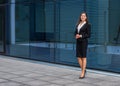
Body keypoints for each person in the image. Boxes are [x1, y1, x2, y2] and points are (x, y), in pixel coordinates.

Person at [74, 12, 91, 79]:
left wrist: (80, 35)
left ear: (86, 17)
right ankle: (84, 69)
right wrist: (76, 35)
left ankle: (82, 73)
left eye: (84, 16)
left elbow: (88, 35)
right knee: (78, 57)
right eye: (81, 15)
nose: (82, 17)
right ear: (80, 17)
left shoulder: (88, 25)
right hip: (78, 42)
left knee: (83, 57)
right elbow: (75, 32)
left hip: (84, 42)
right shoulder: (78, 24)